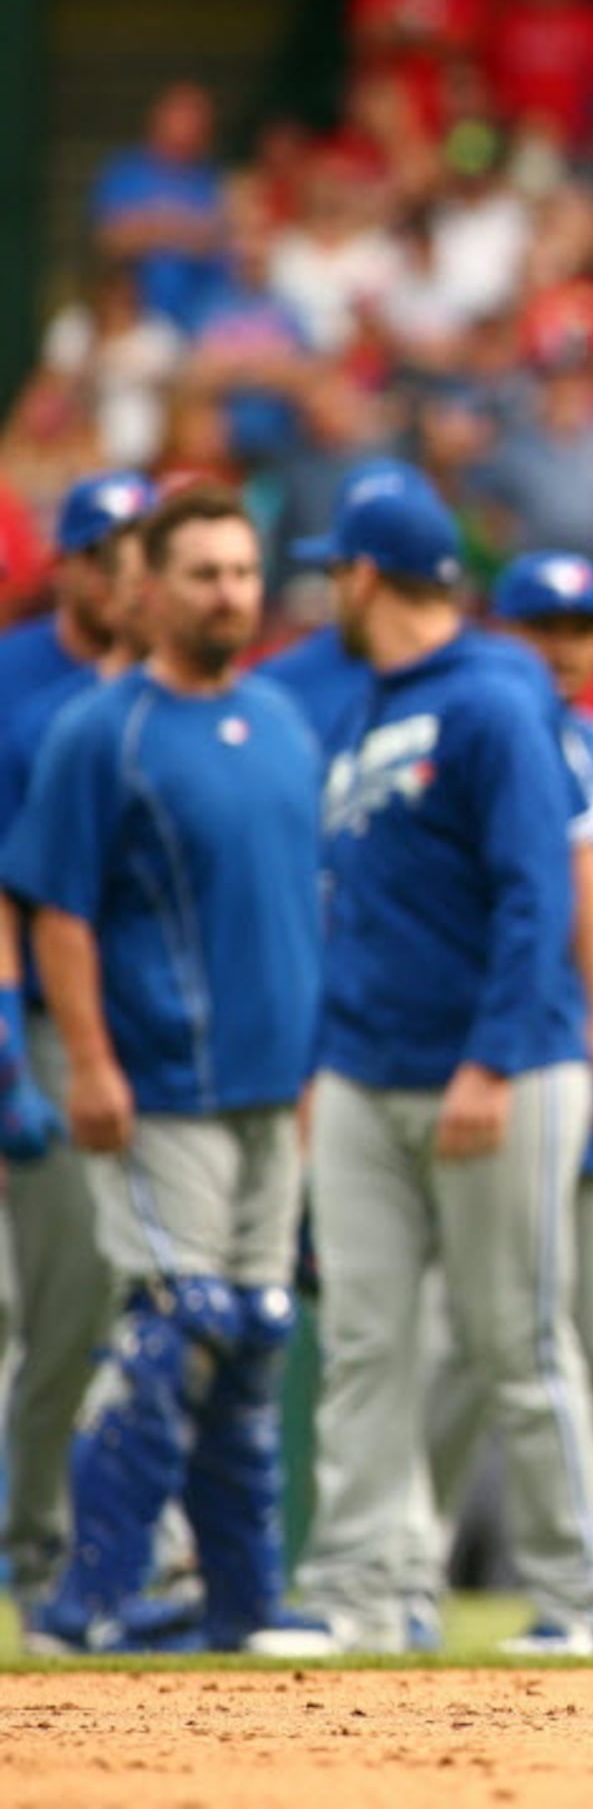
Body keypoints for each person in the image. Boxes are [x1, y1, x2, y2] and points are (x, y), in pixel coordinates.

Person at [291, 466, 593, 1655]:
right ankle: (363, 1593)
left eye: (335, 568)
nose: (329, 588)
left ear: (365, 574)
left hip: (498, 1072)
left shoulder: (492, 695)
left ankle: (584, 1603)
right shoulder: (373, 702)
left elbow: (541, 889)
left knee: (519, 1344)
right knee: (366, 1344)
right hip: (364, 1068)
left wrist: (491, 1060)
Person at [1, 485, 334, 1656]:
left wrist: (307, 1074)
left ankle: (245, 1604)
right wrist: (86, 1064)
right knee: (168, 1328)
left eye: (243, 571)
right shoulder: (105, 731)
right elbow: (60, 914)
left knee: (255, 1331)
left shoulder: (285, 722)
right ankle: (84, 1601)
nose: (229, 594)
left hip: (268, 1093)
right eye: (202, 574)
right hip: (159, 1088)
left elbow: (301, 907)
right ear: (148, 592)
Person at [408, 550, 593, 1653]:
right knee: (463, 1345)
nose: (563, 648)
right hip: (494, 1081)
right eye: (538, 623)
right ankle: (402, 1563)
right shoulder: (452, 745)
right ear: (493, 629)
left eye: (583, 626)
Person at [0, 471, 155, 1645]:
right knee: (60, 1299)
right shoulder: (17, 681)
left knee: (146, 1295)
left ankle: (131, 1555)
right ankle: (39, 1544)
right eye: (114, 552)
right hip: (43, 1022)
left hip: (156, 1030)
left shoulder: (181, 690)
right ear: (72, 564)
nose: (132, 573)